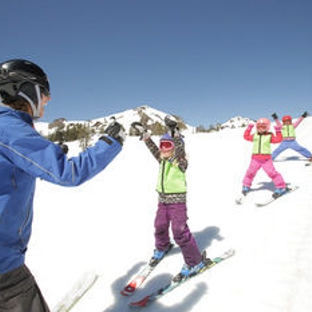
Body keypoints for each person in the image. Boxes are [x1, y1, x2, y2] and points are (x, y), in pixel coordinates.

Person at [0, 59, 125, 312]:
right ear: (24, 89)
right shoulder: (9, 127)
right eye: (44, 92)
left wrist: (50, 153)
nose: (47, 99)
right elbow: (68, 173)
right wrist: (110, 143)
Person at [131, 116, 211, 283]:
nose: (163, 149)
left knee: (179, 231)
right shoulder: (162, 159)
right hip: (162, 201)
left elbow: (180, 149)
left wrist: (175, 134)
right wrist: (145, 135)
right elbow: (153, 148)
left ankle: (195, 262)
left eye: (167, 145)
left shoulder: (179, 161)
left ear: (174, 147)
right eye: (162, 145)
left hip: (177, 203)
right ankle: (163, 246)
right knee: (159, 225)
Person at [241, 118, 288, 198]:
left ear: (267, 127)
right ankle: (246, 185)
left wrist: (278, 131)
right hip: (255, 159)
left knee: (272, 173)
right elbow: (246, 136)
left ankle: (281, 186)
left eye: (263, 127)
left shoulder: (269, 135)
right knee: (250, 172)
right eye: (259, 127)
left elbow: (278, 140)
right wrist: (249, 128)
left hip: (266, 159)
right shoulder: (255, 135)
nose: (261, 129)